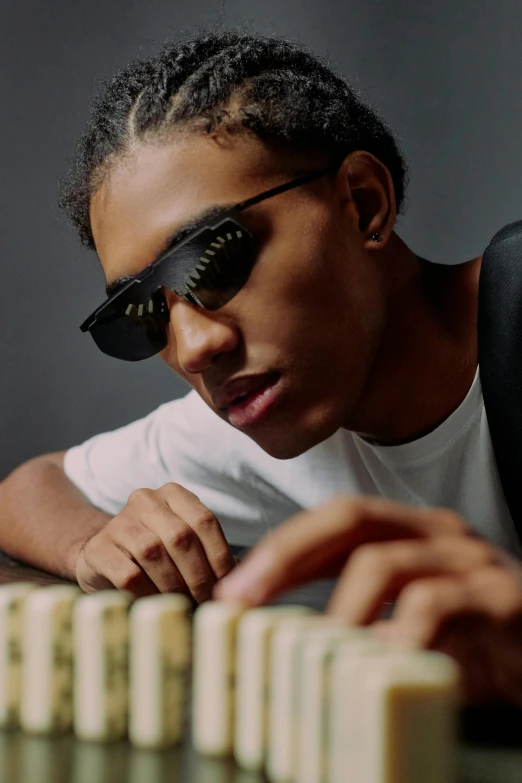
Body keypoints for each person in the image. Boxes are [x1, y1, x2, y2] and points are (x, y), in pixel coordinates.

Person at [1, 29, 522, 705]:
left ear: (364, 202)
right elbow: (27, 488)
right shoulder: (258, 414)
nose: (192, 347)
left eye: (213, 260)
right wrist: (95, 543)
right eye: (142, 316)